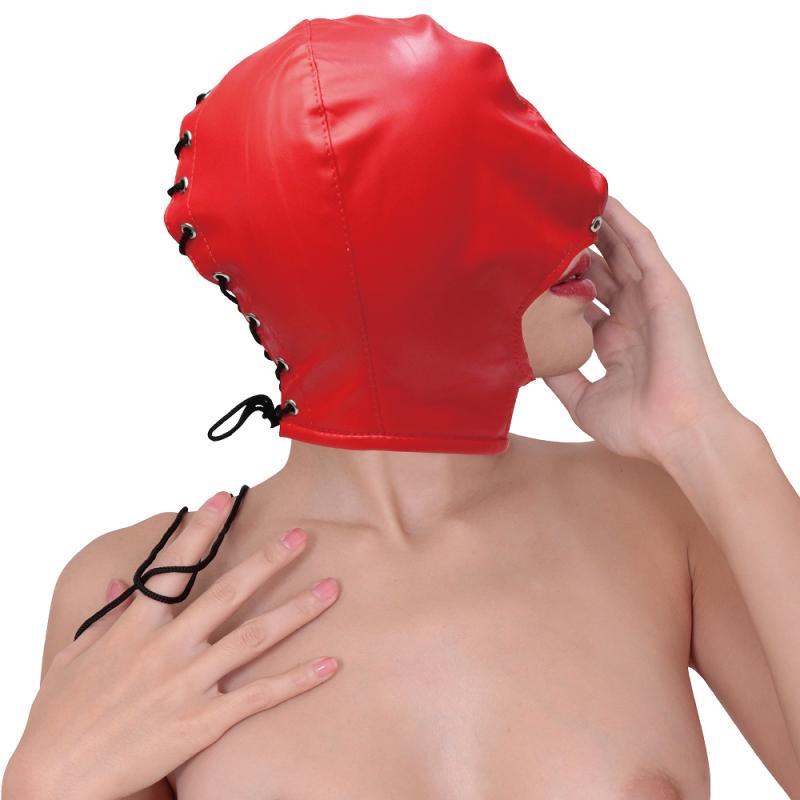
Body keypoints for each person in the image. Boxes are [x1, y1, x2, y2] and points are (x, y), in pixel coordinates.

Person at [4, 14, 800, 800]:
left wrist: (708, 436)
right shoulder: (142, 597)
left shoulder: (664, 516)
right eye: (499, 186)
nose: (584, 208)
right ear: (369, 248)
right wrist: (42, 787)